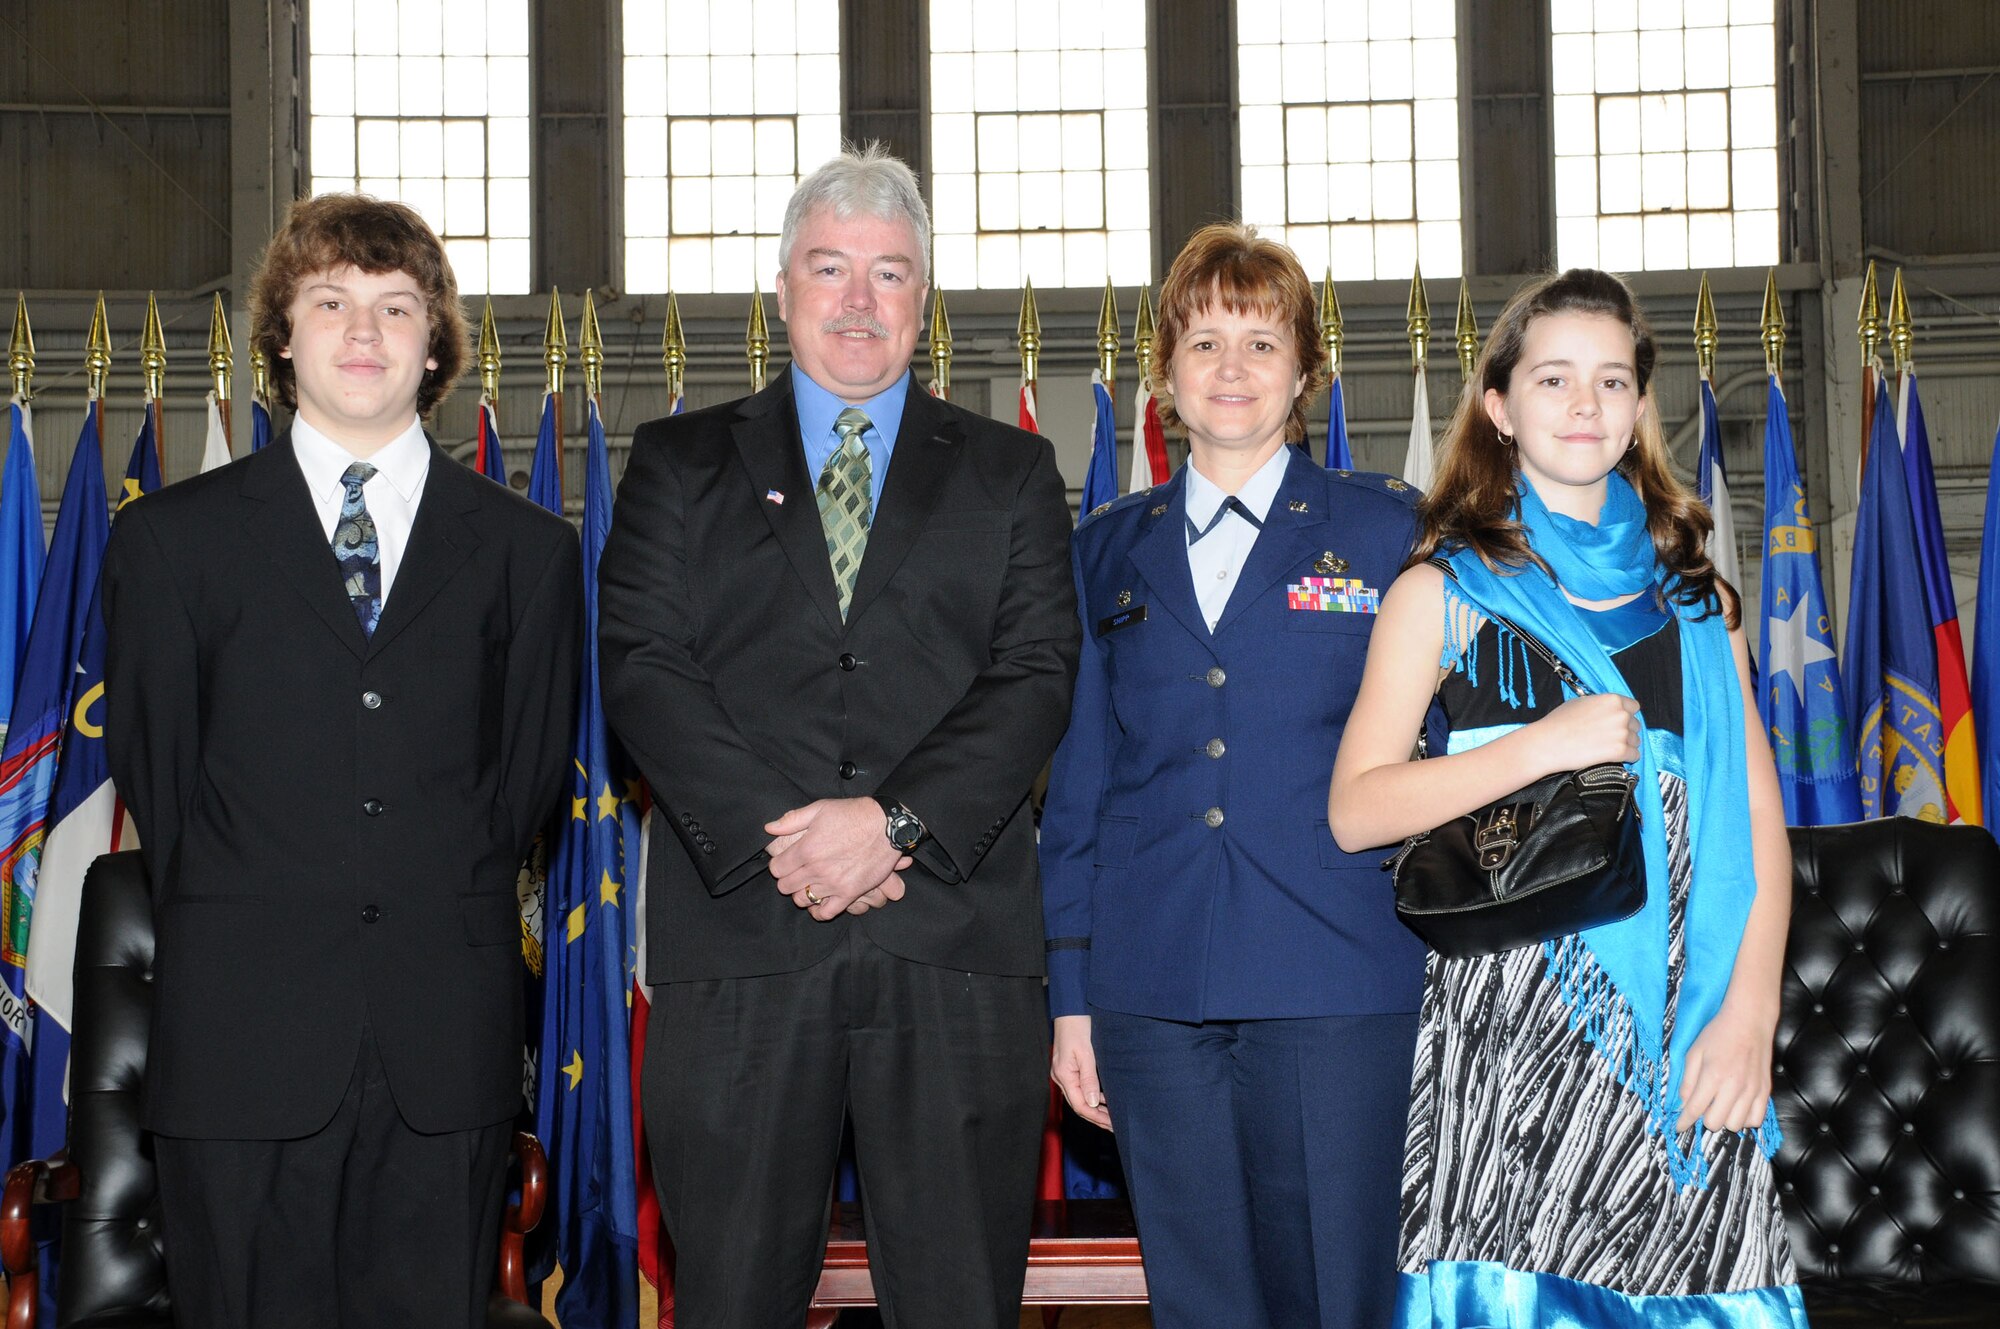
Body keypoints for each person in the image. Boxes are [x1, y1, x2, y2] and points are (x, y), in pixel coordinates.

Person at [598, 144, 1080, 1329]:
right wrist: (795, 843)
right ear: (780, 290)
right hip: (745, 942)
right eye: (829, 268)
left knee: (962, 1301)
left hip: (953, 950)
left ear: (925, 303)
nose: (857, 300)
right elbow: (643, 667)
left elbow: (1034, 673)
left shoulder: (1012, 473)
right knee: (729, 1300)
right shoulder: (676, 464)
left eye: (889, 274)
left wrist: (893, 827)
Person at [102, 193, 582, 1328]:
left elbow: (518, 790)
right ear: (280, 337)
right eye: (330, 302)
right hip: (240, 1051)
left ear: (434, 347)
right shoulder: (170, 545)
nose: (362, 331)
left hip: (442, 1052)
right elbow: (164, 792)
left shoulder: (528, 554)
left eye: (394, 306)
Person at [1328, 268, 1806, 1325]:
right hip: (1508, 1028)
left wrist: (1750, 1016)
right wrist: (1535, 748)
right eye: (1551, 379)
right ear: (1498, 408)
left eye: (1609, 380)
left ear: (1639, 406)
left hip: (1692, 1025)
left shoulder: (1699, 605)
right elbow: (1354, 809)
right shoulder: (1440, 591)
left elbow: (1759, 829)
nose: (1582, 405)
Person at [1038, 222, 1428, 1329]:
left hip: (1337, 977)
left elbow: (1441, 753)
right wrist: (1072, 1001)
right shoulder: (1104, 550)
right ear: (1163, 373)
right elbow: (1079, 792)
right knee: (1200, 1300)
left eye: (1260, 343)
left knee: (1335, 1293)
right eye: (1203, 341)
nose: (1230, 369)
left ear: (1304, 371)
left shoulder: (1387, 530)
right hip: (1152, 987)